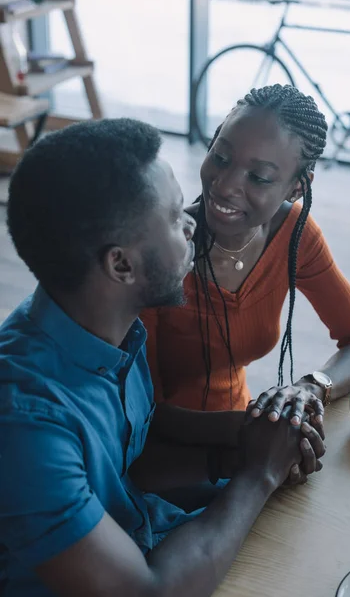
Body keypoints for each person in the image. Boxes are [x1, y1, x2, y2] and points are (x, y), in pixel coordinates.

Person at [0, 118, 325, 597]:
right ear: (122, 264)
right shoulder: (26, 426)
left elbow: (131, 457)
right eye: (175, 219)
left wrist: (255, 430)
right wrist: (258, 472)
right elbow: (148, 592)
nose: (193, 224)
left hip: (147, 527)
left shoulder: (108, 326)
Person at [140, 84, 350, 430]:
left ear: (297, 187)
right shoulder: (164, 253)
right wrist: (252, 440)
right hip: (166, 451)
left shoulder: (293, 234)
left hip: (241, 426)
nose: (225, 185)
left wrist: (311, 388)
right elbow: (140, 412)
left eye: (259, 177)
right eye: (220, 157)